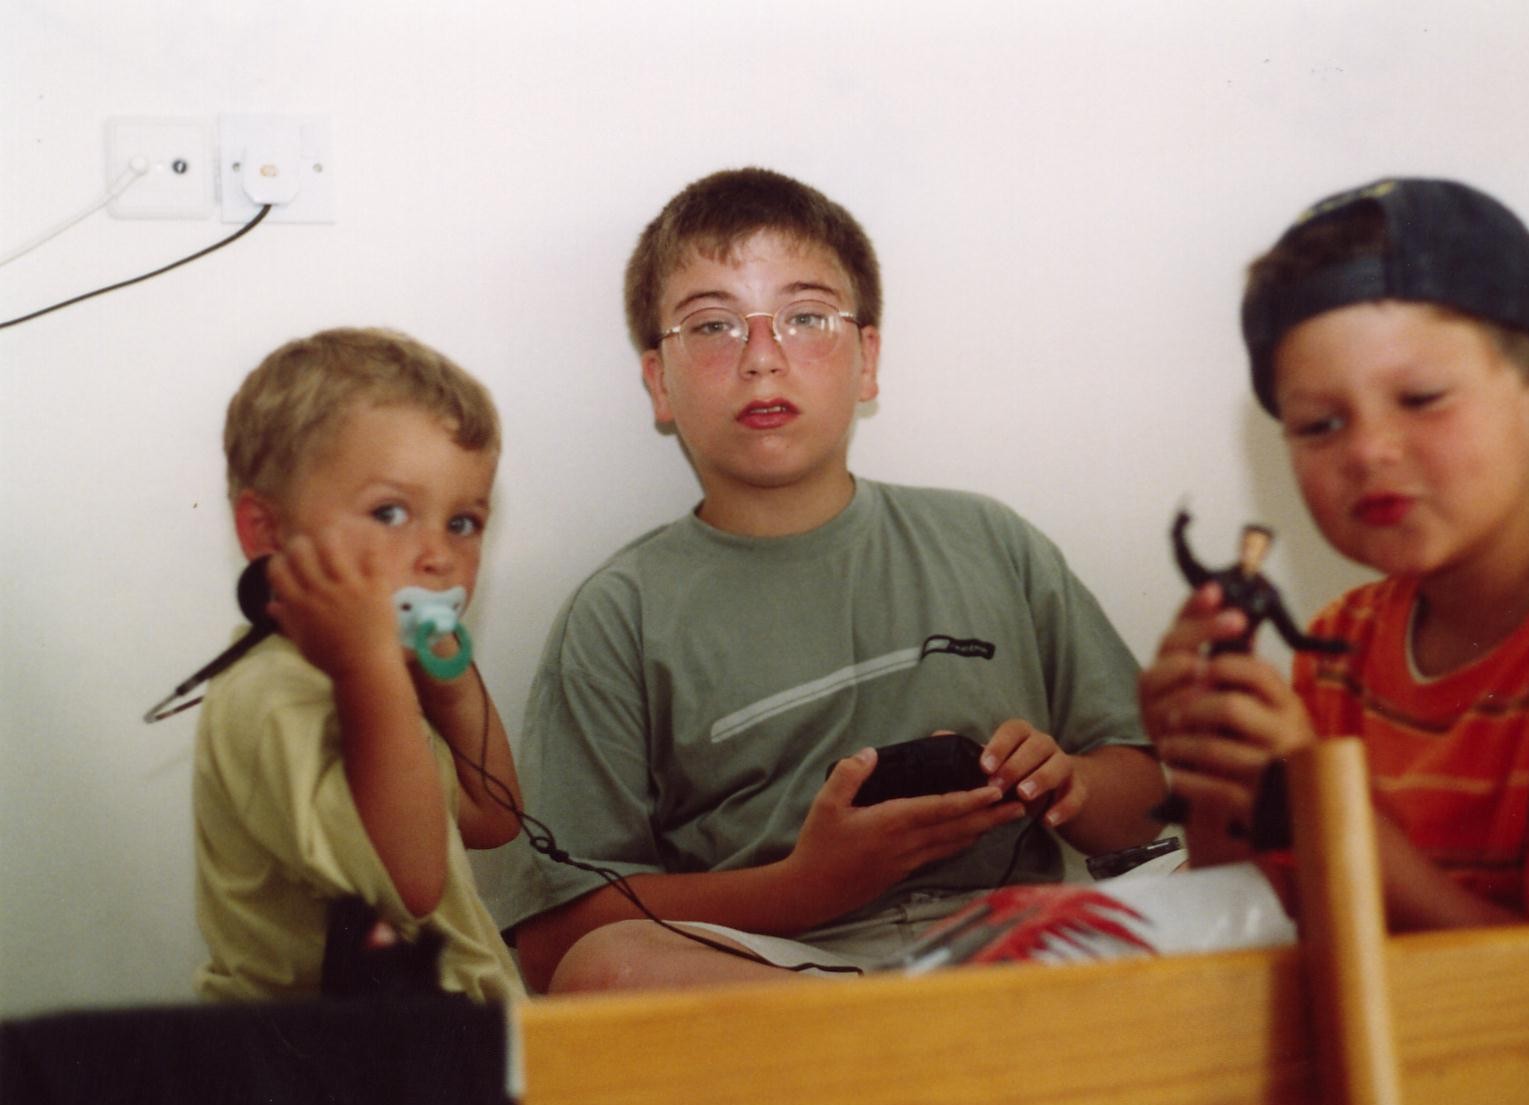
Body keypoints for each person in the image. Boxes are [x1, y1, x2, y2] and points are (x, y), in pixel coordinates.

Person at [493, 167, 1166, 992]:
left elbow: (1149, 802)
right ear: (660, 382)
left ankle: (921, 1045)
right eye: (713, 326)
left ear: (867, 359)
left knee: (1235, 889)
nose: (762, 360)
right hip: (780, 980)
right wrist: (804, 887)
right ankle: (900, 1045)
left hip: (1011, 947)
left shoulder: (989, 540)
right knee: (610, 967)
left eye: (806, 317)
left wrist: (1071, 783)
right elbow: (555, 938)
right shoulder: (619, 614)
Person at [1141, 177, 1529, 928]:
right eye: (1320, 424)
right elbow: (1266, 921)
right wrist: (1213, 769)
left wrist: (1323, 802)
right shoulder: (1338, 646)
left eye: (1422, 398)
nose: (1368, 450)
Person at [192, 326, 525, 1000]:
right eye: (391, 512)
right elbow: (410, 883)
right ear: (268, 532)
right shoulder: (274, 697)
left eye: (462, 522)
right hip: (327, 1056)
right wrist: (372, 667)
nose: (438, 556)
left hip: (444, 1035)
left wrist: (448, 679)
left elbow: (492, 815)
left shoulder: (373, 683)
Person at [1170, 508, 1348, 657]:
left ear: (1264, 552)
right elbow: (1191, 568)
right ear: (1240, 546)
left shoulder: (1267, 593)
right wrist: (1178, 533)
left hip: (1244, 659)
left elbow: (1293, 638)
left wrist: (1335, 646)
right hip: (1214, 657)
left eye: (1256, 547)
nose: (1249, 551)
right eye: (1246, 545)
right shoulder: (1221, 580)